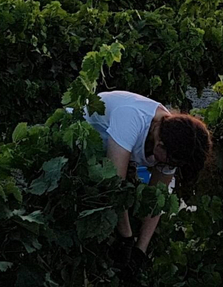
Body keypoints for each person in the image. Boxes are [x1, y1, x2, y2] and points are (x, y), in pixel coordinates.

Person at [84, 90, 213, 269]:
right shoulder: (131, 118)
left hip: (100, 160)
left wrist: (140, 250)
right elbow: (114, 186)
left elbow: (155, 200)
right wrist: (127, 237)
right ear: (160, 145)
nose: (171, 166)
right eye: (172, 162)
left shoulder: (172, 141)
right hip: (78, 145)